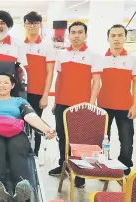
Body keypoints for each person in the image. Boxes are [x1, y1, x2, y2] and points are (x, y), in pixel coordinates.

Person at [0, 73, 56, 202]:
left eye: (6, 82)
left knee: (17, 147)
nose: (2, 85)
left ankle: (21, 189)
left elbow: (31, 117)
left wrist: (46, 129)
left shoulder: (19, 101)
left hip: (15, 132)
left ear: (12, 85)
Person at [50, 21, 102, 188]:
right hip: (62, 103)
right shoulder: (62, 55)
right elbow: (59, 80)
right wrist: (56, 101)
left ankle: (80, 172)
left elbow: (96, 82)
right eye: (73, 32)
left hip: (82, 106)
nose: (76, 35)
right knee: (62, 136)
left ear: (85, 35)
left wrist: (91, 104)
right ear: (69, 35)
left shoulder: (94, 56)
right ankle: (63, 165)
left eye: (80, 32)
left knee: (80, 139)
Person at [97, 24, 136, 175]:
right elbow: (94, 83)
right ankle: (103, 168)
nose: (116, 39)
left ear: (125, 38)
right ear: (108, 38)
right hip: (103, 105)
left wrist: (135, 105)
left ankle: (123, 169)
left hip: (125, 106)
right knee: (102, 140)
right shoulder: (101, 59)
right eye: (113, 36)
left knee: (127, 141)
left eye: (120, 35)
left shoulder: (133, 59)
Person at [22, 11, 56, 156]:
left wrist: (45, 95)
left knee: (37, 124)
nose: (32, 25)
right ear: (24, 25)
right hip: (20, 92)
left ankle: (34, 154)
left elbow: (50, 72)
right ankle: (20, 151)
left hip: (37, 92)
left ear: (40, 25)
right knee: (20, 123)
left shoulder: (47, 46)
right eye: (29, 22)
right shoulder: (19, 45)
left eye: (35, 22)